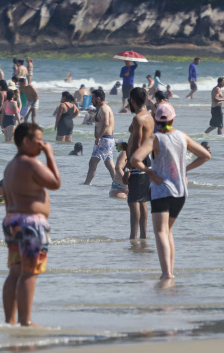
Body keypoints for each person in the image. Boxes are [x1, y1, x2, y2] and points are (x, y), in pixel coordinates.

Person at [130, 104, 210, 281]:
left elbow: (135, 159)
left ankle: (166, 274)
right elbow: (205, 155)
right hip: (180, 191)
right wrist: (184, 169)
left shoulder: (155, 139)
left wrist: (150, 173)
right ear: (173, 119)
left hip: (161, 191)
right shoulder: (182, 136)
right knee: (168, 231)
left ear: (156, 121)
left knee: (160, 232)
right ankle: (170, 271)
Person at [2, 123, 61, 326]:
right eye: (39, 141)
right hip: (30, 223)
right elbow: (55, 183)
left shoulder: (11, 165)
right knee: (29, 272)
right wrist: (50, 155)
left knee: (15, 272)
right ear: (25, 141)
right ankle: (25, 321)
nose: (42, 145)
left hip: (12, 221)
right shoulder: (30, 163)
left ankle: (10, 320)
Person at [120, 88, 154, 240]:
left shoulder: (138, 119)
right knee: (142, 201)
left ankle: (133, 238)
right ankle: (143, 236)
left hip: (137, 161)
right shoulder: (149, 116)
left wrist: (128, 167)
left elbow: (138, 144)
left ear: (132, 101)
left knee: (133, 201)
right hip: (147, 160)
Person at [84, 89, 117, 185]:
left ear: (98, 99)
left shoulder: (103, 108)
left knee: (92, 163)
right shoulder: (103, 108)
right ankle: (117, 183)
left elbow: (106, 124)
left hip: (104, 139)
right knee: (109, 164)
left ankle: (86, 184)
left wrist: (99, 137)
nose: (91, 101)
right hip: (108, 140)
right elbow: (99, 120)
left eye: (93, 99)